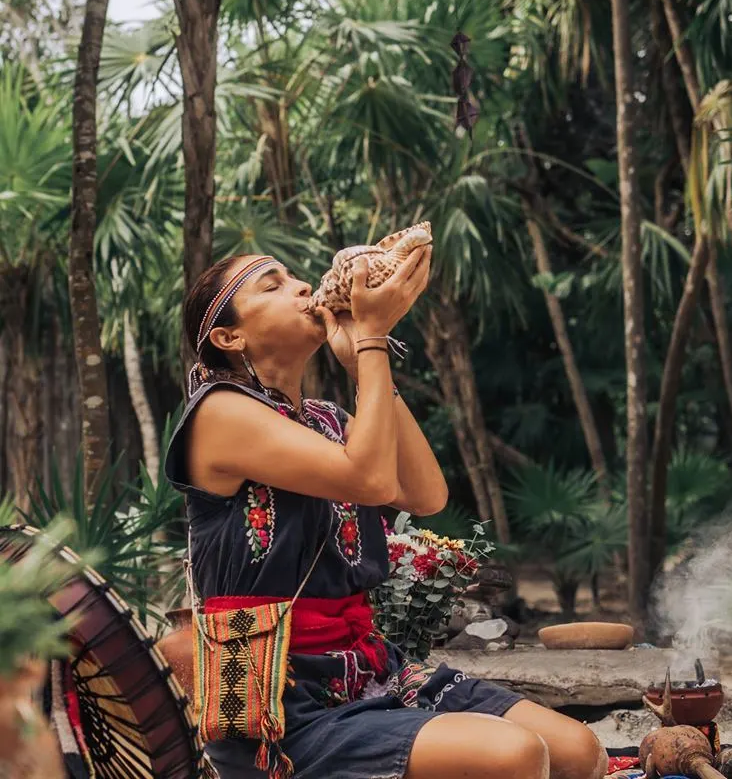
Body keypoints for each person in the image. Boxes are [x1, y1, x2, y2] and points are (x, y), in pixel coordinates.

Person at [165, 247, 607, 779]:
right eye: (272, 285)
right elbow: (371, 480)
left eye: (294, 277)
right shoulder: (219, 411)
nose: (303, 287)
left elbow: (425, 495)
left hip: (369, 669)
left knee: (578, 751)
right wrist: (374, 337)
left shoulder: (325, 418)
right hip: (279, 698)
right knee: (515, 756)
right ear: (228, 338)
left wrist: (360, 360)